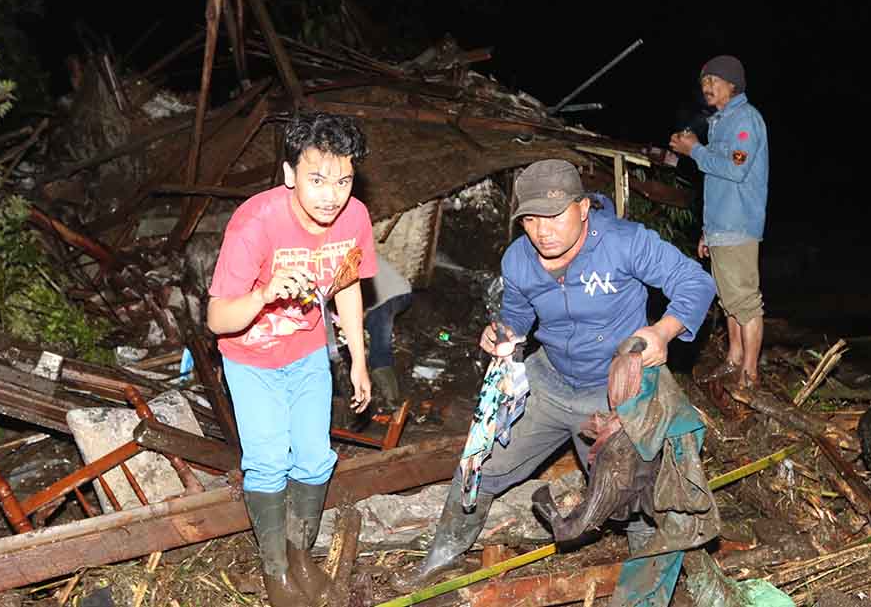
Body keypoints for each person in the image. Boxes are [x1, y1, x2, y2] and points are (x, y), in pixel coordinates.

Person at [391, 159, 715, 592]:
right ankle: (443, 555)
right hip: (549, 383)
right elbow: (517, 319)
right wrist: (503, 335)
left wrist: (662, 331)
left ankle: (647, 585)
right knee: (478, 466)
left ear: (582, 208)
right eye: (529, 218)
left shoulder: (624, 242)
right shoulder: (518, 260)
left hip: (615, 396)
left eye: (553, 215)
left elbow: (695, 282)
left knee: (639, 499)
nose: (541, 231)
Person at [207, 111, 377, 607]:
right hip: (250, 357)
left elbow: (347, 286)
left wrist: (358, 361)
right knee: (266, 462)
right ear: (289, 175)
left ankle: (300, 554)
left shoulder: (355, 218)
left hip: (306, 353)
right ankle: (276, 570)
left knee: (313, 457)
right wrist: (263, 296)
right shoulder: (255, 223)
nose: (332, 194)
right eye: (317, 179)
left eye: (343, 180)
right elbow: (218, 319)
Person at [669, 55, 769, 387]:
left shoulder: (745, 120)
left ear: (732, 84)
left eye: (714, 80)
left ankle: (750, 374)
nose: (706, 86)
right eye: (704, 81)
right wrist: (706, 232)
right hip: (720, 227)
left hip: (740, 226)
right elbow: (717, 181)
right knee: (728, 300)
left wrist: (695, 149)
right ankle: (733, 359)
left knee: (745, 301)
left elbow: (736, 169)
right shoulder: (721, 121)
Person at [363, 253, 413, 409]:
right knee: (376, 334)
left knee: (379, 345)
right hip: (401, 292)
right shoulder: (358, 248)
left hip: (387, 296)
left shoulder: (348, 256)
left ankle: (391, 399)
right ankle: (389, 396)